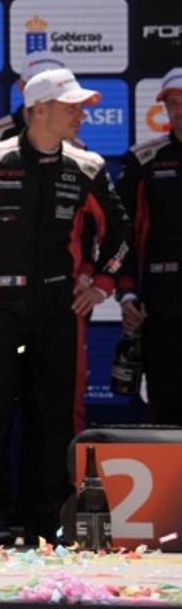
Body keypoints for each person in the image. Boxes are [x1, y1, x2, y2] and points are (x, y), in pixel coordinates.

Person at [0, 67, 131, 549]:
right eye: (71, 105)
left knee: (57, 414)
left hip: (61, 307)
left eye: (81, 106)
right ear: (39, 109)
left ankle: (51, 515)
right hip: (1, 305)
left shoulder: (88, 167)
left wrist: (100, 283)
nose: (81, 114)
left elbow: (120, 233)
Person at [116, 67, 182, 423]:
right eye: (173, 104)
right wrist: (127, 294)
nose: (180, 111)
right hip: (164, 295)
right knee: (167, 398)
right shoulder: (145, 160)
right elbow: (122, 233)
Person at [0, 54, 70, 148]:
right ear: (21, 87)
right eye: (38, 86)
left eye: (57, 86)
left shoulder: (75, 148)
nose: (48, 94)